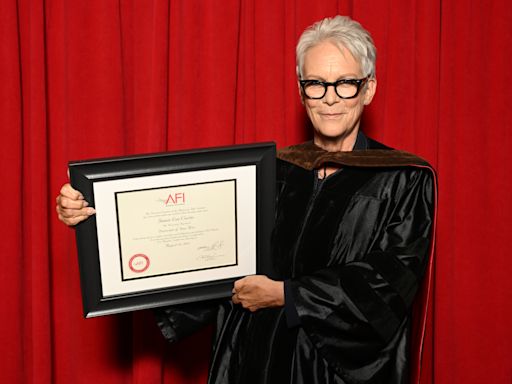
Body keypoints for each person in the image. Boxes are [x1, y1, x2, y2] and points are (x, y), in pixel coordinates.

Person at [56, 15, 435, 384]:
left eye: (345, 84)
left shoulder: (403, 179)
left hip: (329, 369)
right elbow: (204, 251)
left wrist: (287, 295)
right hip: (253, 357)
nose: (330, 99)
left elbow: (387, 283)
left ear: (368, 89)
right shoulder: (274, 172)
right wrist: (100, 218)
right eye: (315, 83)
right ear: (300, 89)